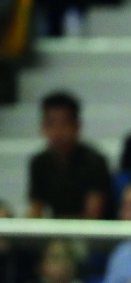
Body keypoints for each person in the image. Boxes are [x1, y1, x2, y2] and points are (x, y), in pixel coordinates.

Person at [27, 91, 112, 220]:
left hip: (90, 234)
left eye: (63, 124)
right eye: (51, 123)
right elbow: (36, 207)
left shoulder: (94, 162)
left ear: (77, 126)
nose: (57, 131)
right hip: (55, 232)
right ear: (43, 127)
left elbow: (93, 215)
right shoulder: (39, 162)